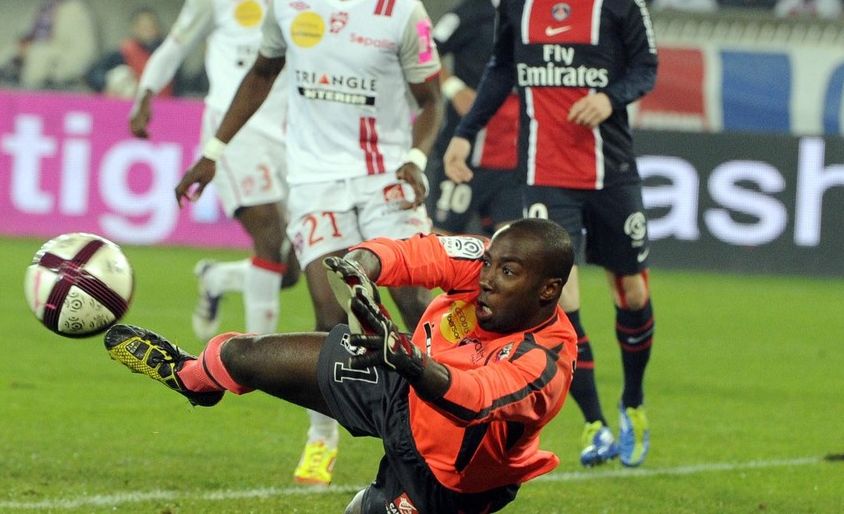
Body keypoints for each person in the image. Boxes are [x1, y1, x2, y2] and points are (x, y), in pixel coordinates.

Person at [174, 0, 444, 486]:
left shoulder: (403, 10)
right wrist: (213, 151)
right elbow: (262, 73)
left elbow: (431, 101)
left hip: (384, 180)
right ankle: (322, 439)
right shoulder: (293, 1)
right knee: (329, 314)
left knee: (413, 308)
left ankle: (445, 424)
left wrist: (418, 160)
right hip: (316, 183)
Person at [105, 217, 578, 513]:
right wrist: (360, 269)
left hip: (448, 483)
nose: (487, 280)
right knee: (244, 355)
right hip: (399, 388)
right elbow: (413, 253)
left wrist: (409, 359)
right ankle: (194, 381)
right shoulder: (483, 265)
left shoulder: (547, 359)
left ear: (548, 290)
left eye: (507, 273)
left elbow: (475, 399)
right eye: (489, 264)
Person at [444, 0, 658, 470]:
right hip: (542, 175)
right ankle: (593, 424)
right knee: (559, 300)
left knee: (632, 290)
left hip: (610, 172)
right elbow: (498, 72)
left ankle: (632, 400)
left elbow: (647, 68)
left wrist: (611, 98)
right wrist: (466, 131)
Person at [129, 0, 307, 347]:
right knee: (268, 235)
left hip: (295, 133)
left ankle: (216, 278)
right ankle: (258, 355)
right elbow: (173, 46)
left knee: (290, 269)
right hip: (233, 133)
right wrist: (146, 92)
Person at [426, 0, 544, 237]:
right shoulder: (475, 8)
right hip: (466, 149)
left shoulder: (553, 16)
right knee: (441, 246)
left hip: (516, 159)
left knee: (515, 251)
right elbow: (426, 49)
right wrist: (453, 89)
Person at [0, 0, 98, 89]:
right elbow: (25, 32)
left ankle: (29, 100)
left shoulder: (77, 9)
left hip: (58, 52)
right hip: (33, 49)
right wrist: (23, 46)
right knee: (4, 56)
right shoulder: (42, 6)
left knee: (38, 56)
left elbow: (83, 48)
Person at [88, 7, 165, 97]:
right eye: (143, 27)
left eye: (150, 26)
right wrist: (106, 84)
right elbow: (94, 73)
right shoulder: (123, 53)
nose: (147, 30)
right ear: (134, 28)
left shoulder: (167, 54)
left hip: (162, 103)